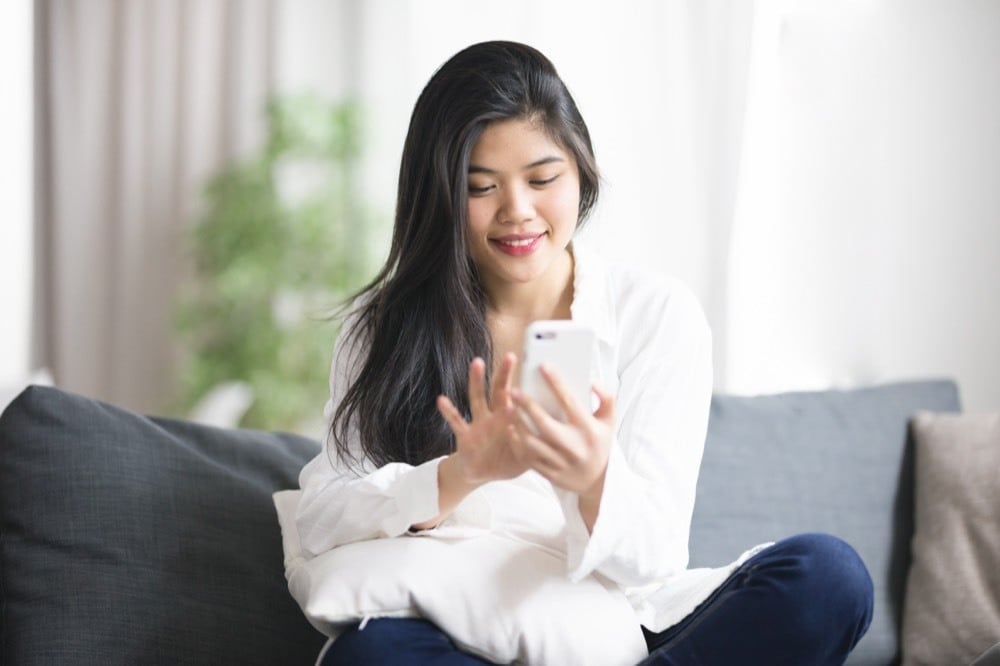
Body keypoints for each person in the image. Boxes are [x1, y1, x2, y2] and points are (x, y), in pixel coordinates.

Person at [290, 40, 874, 665]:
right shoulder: (382, 326)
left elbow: (654, 554)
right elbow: (323, 516)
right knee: (370, 656)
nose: (518, 212)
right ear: (438, 197)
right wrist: (461, 474)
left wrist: (594, 480)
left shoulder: (654, 315)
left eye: (542, 179)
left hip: (619, 620)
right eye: (481, 187)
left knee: (829, 578)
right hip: (453, 609)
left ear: (581, 172)